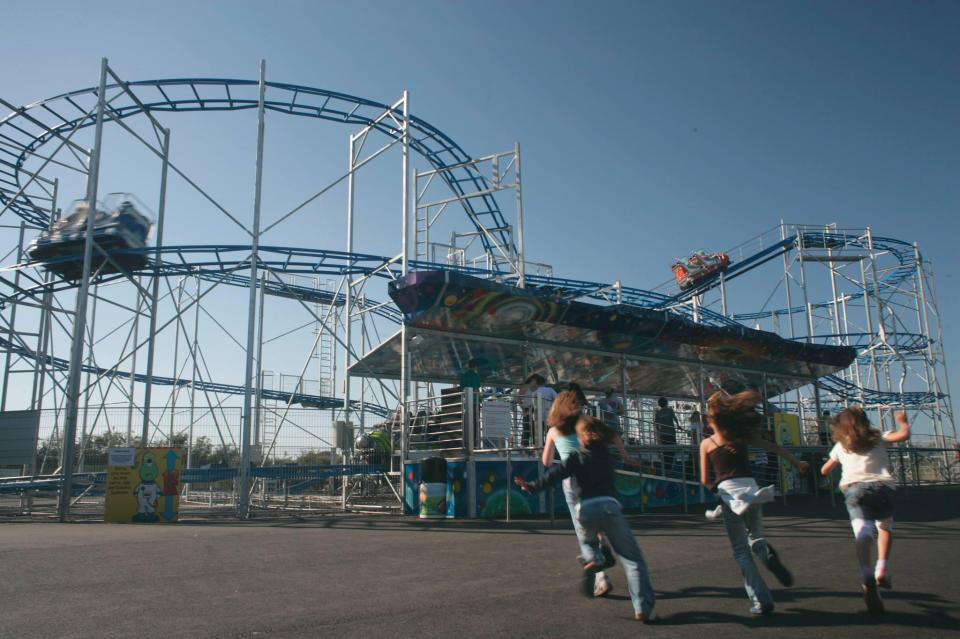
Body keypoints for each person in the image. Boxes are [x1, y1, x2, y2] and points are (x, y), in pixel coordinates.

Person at [517, 415, 657, 623]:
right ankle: (642, 607)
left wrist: (531, 486)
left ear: (582, 436)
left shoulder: (576, 456)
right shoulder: (606, 455)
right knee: (632, 559)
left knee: (589, 539)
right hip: (609, 506)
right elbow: (616, 442)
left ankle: (593, 558)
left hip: (585, 509)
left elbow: (555, 474)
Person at [699, 389, 809, 616]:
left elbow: (704, 479)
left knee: (740, 551)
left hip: (730, 495)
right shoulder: (742, 437)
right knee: (756, 536)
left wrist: (714, 490)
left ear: (711, 421)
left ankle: (762, 599)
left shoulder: (707, 444)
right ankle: (764, 551)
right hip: (752, 489)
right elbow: (775, 448)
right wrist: (797, 463)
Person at [819, 408, 910, 615]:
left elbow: (825, 470)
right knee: (885, 527)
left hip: (855, 489)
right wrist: (902, 421)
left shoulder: (841, 444)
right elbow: (903, 435)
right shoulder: (877, 436)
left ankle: (866, 572)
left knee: (862, 531)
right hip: (882, 488)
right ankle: (882, 568)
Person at [520, 374, 556, 446]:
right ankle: (548, 447)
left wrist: (524, 408)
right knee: (549, 432)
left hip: (536, 415)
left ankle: (538, 448)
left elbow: (533, 404)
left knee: (537, 433)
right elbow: (557, 398)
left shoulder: (535, 392)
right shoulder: (550, 390)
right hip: (548, 415)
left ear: (536, 383)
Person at [654, 397, 679, 472]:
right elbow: (675, 418)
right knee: (672, 450)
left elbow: (656, 423)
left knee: (665, 451)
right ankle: (671, 467)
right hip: (671, 433)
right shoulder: (670, 410)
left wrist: (659, 430)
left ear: (659, 404)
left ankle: (666, 468)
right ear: (666, 403)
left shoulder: (658, 413)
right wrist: (678, 425)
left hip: (663, 434)